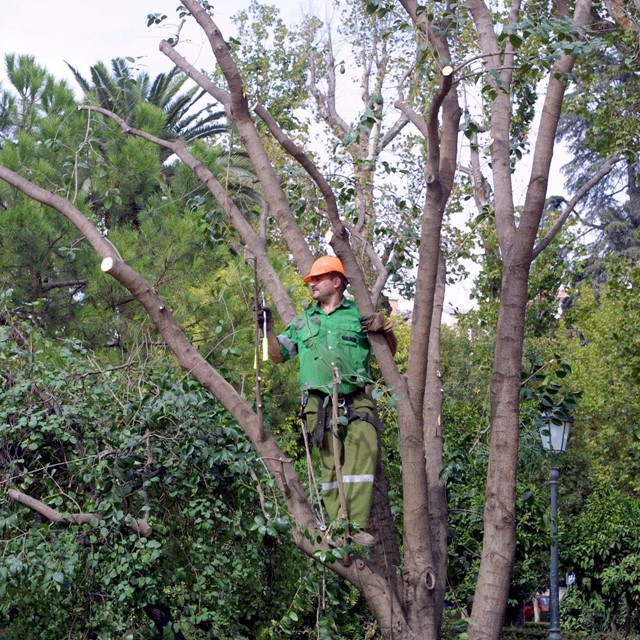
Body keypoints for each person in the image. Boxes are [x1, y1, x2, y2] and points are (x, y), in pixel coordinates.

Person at [259, 256, 396, 546]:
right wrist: (266, 329)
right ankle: (336, 529)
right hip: (318, 403)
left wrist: (385, 329)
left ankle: (354, 525)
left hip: (356, 397)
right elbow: (277, 355)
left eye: (316, 280)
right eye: (310, 282)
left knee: (363, 450)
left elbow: (389, 353)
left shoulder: (359, 315)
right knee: (331, 464)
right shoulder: (304, 320)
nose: (311, 286)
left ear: (336, 281)